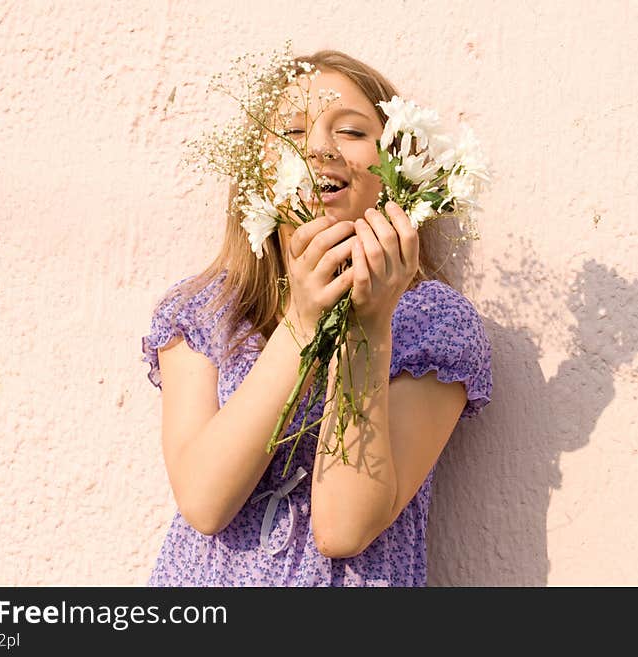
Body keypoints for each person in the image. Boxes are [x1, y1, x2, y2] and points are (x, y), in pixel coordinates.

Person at [141, 50, 493, 586]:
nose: (321, 147)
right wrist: (303, 325)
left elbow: (344, 528)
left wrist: (367, 326)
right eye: (291, 131)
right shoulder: (207, 312)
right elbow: (204, 502)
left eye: (351, 131)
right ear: (255, 174)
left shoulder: (432, 324)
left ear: (395, 166)